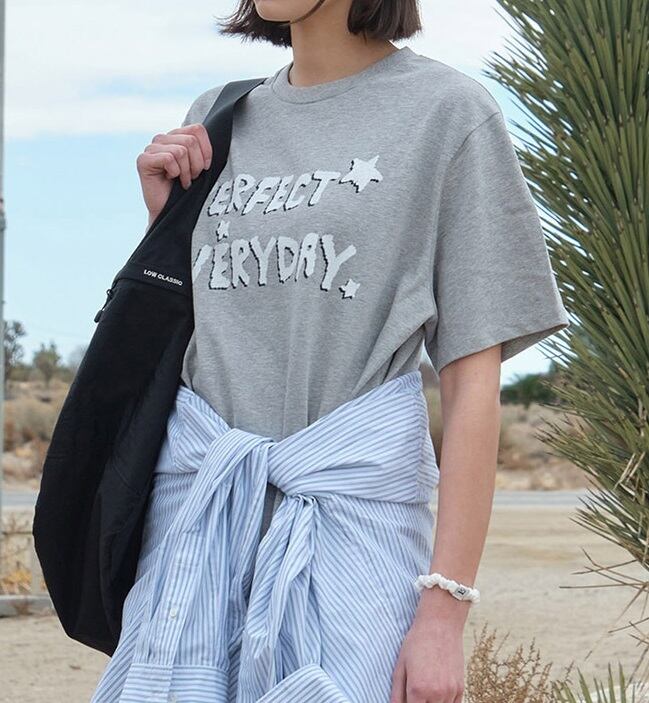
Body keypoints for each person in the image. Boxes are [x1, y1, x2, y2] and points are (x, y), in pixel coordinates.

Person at [91, 1, 570, 701]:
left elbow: (473, 384)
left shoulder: (448, 113)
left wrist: (443, 614)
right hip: (195, 537)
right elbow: (202, 333)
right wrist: (167, 226)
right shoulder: (217, 118)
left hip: (351, 547)